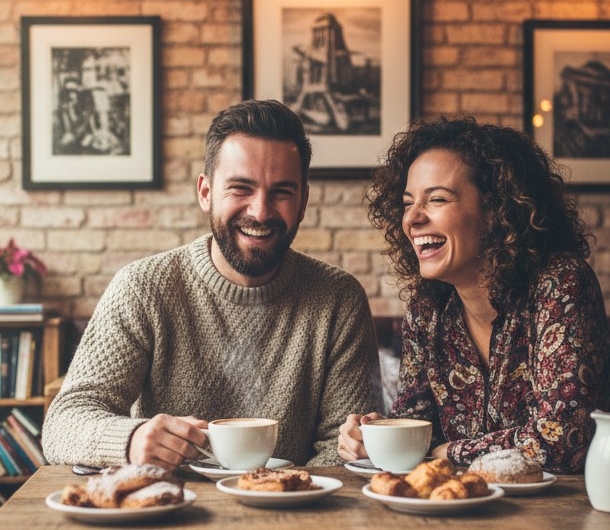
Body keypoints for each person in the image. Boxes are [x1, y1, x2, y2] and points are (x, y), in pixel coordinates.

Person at [42, 99, 381, 470]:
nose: (261, 211)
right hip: (168, 510)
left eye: (282, 192)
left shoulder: (339, 299)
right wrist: (133, 439)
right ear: (205, 193)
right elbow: (62, 424)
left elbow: (343, 447)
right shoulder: (142, 288)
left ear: (303, 202)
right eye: (240, 188)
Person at [337, 117, 610, 474]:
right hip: (464, 509)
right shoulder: (428, 307)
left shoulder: (560, 283)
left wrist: (447, 453)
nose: (413, 218)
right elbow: (415, 426)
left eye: (437, 199)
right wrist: (376, 436)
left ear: (497, 210)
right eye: (408, 203)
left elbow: (564, 440)